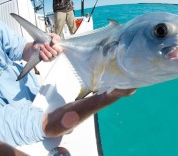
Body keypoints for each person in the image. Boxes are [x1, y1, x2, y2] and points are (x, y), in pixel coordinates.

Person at [0, 22, 136, 151]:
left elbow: (20, 49)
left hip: (35, 90)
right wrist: (111, 94)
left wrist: (36, 48)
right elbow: (45, 125)